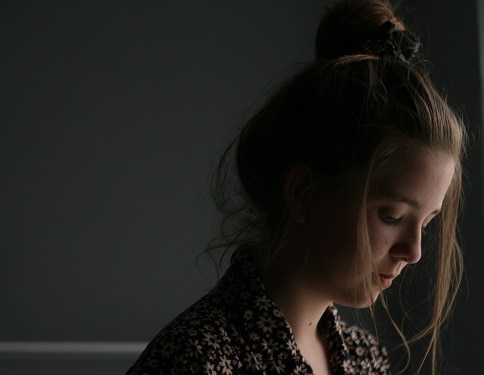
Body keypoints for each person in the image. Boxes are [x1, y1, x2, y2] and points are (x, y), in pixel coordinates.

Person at [127, 0, 465, 373]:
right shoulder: (196, 361)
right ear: (304, 193)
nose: (413, 251)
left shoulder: (366, 359)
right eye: (392, 215)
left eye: (427, 222)